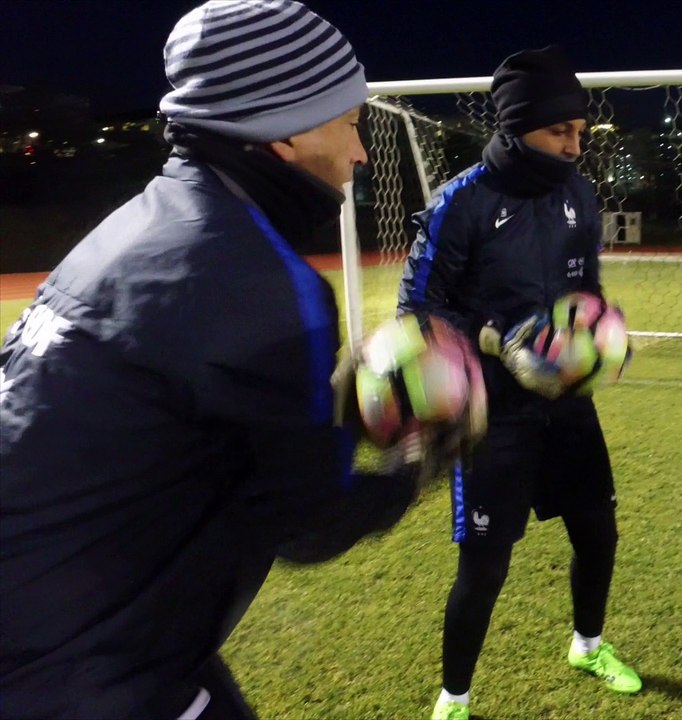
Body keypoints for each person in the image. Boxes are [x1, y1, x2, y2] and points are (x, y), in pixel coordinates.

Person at [0, 2, 454, 717]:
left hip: (57, 621)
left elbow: (196, 420)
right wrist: (416, 462)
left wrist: (328, 406)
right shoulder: (260, 282)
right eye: (349, 121)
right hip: (79, 667)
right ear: (287, 131)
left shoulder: (134, 226)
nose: (360, 151)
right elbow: (309, 524)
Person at [397, 45, 641, 720]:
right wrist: (491, 343)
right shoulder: (461, 203)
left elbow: (586, 290)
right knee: (485, 565)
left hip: (566, 406)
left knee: (598, 531)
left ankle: (588, 645)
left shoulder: (579, 195)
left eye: (579, 133)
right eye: (559, 131)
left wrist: (603, 333)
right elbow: (417, 310)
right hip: (492, 417)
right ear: (515, 126)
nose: (573, 145)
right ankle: (455, 698)